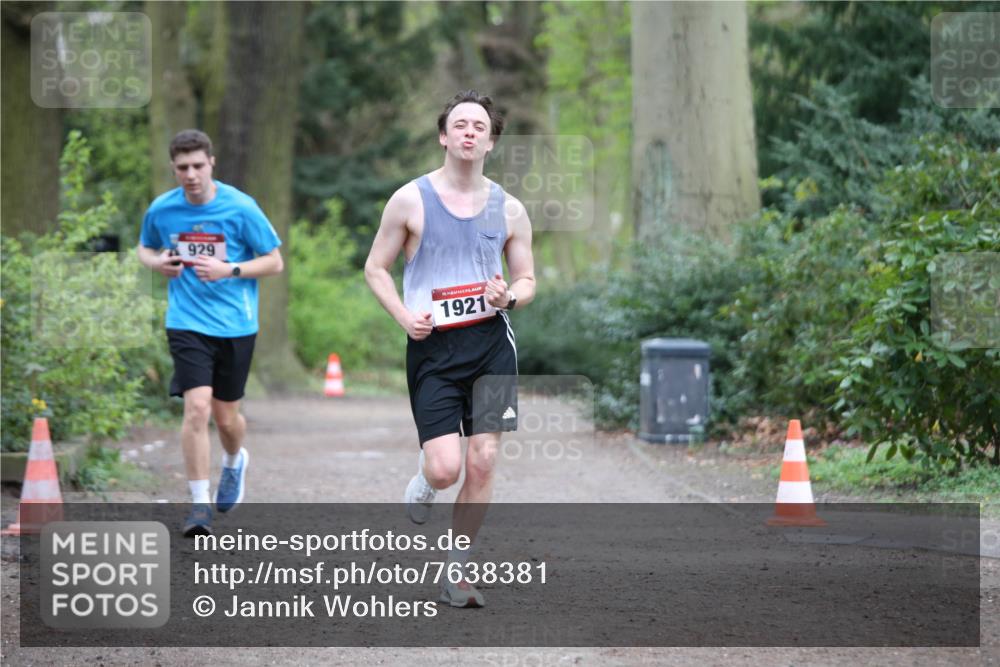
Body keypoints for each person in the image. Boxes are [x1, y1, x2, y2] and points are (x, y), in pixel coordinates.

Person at [365, 91, 535, 607]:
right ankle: (424, 478)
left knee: (482, 461)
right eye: (458, 124)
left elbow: (527, 279)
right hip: (434, 350)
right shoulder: (410, 200)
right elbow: (376, 268)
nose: (467, 131)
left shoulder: (510, 208)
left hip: (490, 348)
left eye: (478, 126)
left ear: (490, 140)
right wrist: (403, 317)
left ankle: (458, 571)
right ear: (444, 136)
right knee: (445, 469)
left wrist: (512, 295)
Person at [138, 129, 283, 537]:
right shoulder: (163, 210)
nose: (190, 174)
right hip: (186, 322)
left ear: (211, 164)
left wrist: (230, 270)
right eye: (182, 167)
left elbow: (274, 263)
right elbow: (144, 247)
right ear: (173, 168)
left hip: (236, 324)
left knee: (226, 418)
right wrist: (157, 263)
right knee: (196, 408)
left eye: (197, 165)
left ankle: (235, 461)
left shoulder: (240, 207)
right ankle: (199, 505)